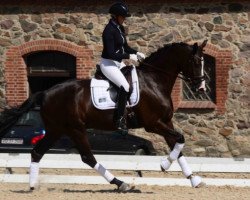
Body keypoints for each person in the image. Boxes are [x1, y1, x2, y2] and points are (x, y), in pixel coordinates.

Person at [100, 2, 145, 131]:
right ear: (115, 16)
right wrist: (129, 57)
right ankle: (119, 119)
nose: (124, 19)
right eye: (123, 17)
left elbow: (125, 47)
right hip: (108, 63)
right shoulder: (108, 31)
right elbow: (110, 53)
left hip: (118, 63)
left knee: (134, 80)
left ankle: (130, 111)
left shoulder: (120, 29)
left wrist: (136, 53)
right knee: (124, 86)